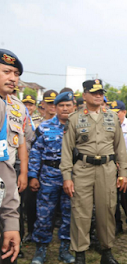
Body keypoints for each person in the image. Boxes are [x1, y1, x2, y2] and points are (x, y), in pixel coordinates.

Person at [60, 79, 127, 264]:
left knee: (107, 210)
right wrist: (67, 177)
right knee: (80, 212)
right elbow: (66, 150)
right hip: (83, 169)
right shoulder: (75, 119)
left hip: (107, 170)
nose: (99, 95)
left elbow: (120, 148)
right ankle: (80, 254)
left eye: (101, 92)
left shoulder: (112, 117)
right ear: (84, 95)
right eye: (94, 92)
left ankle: (106, 252)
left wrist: (123, 172)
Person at [28, 92, 75, 264]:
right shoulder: (44, 127)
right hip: (48, 175)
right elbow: (35, 153)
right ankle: (40, 250)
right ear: (55, 107)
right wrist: (33, 175)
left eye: (68, 105)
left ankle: (65, 249)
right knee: (44, 214)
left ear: (73, 107)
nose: (64, 108)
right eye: (61, 105)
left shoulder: (77, 127)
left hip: (71, 177)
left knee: (69, 214)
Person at [0, 49, 23, 264]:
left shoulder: (10, 107)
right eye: (7, 71)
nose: (13, 78)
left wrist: (10, 220)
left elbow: (4, 167)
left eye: (16, 74)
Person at [109, 100, 127, 235]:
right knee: (113, 195)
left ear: (124, 112)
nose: (115, 115)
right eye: (112, 112)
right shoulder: (107, 125)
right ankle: (117, 223)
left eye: (117, 112)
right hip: (112, 162)